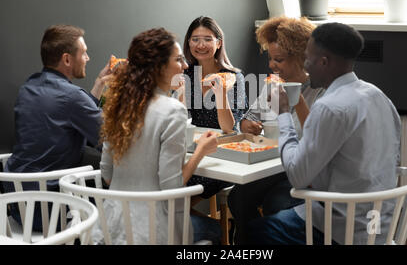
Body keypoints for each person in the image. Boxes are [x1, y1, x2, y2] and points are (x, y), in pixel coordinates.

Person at [247, 22, 401, 245]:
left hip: (345, 227)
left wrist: (282, 114)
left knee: (257, 231)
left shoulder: (329, 106)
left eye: (307, 58)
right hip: (379, 224)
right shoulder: (379, 96)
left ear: (324, 62)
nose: (305, 65)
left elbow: (297, 176)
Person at [92, 27, 221, 245]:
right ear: (159, 67)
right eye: (179, 59)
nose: (186, 65)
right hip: (153, 233)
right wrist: (201, 151)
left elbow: (107, 175)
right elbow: (171, 187)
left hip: (109, 230)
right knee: (215, 231)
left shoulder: (119, 106)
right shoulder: (172, 111)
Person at [228, 16, 324, 244]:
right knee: (238, 197)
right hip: (272, 167)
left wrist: (295, 101)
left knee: (277, 203)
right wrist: (245, 125)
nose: (271, 65)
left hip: (303, 175)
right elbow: (249, 117)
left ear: (302, 58)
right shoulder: (273, 85)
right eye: (271, 58)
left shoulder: (322, 92)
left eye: (278, 59)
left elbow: (316, 142)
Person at [3, 24, 111, 229]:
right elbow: (110, 138)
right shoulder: (72, 97)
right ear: (67, 59)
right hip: (50, 210)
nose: (87, 58)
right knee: (116, 206)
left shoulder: (29, 87)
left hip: (16, 204)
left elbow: (73, 115)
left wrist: (98, 84)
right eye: (84, 53)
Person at [182, 16, 248, 200]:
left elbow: (229, 129)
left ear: (218, 43)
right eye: (195, 39)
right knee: (168, 180)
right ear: (188, 43)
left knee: (183, 192)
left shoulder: (234, 77)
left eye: (207, 39)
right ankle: (174, 222)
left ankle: (174, 223)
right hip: (190, 150)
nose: (201, 45)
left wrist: (220, 94)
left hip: (221, 155)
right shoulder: (184, 74)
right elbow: (178, 119)